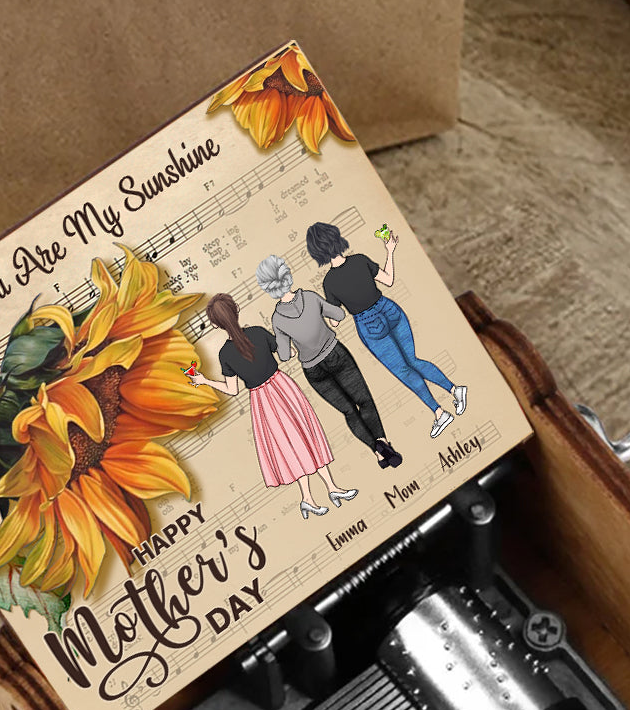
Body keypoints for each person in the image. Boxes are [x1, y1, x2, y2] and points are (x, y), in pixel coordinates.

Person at [188, 293, 357, 519]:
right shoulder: (258, 332)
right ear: (236, 309)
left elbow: (232, 389)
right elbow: (288, 351)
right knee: (306, 434)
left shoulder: (225, 353)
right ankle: (328, 489)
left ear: (215, 324)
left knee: (290, 445)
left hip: (262, 400)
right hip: (283, 386)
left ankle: (311, 498)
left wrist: (204, 381)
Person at [305, 221, 468, 439]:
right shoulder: (359, 259)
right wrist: (390, 251)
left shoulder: (329, 282)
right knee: (413, 360)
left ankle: (439, 412)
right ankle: (455, 390)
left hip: (369, 325)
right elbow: (388, 280)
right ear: (336, 238)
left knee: (403, 370)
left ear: (317, 251)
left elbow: (335, 322)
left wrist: (318, 312)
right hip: (390, 309)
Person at [255, 254, 403, 470]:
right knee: (364, 401)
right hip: (335, 354)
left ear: (268, 288)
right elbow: (339, 314)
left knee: (349, 412)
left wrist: (291, 346)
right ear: (287, 276)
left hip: (313, 370)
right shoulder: (310, 297)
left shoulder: (277, 319)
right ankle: (383, 442)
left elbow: (285, 355)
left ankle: (377, 452)